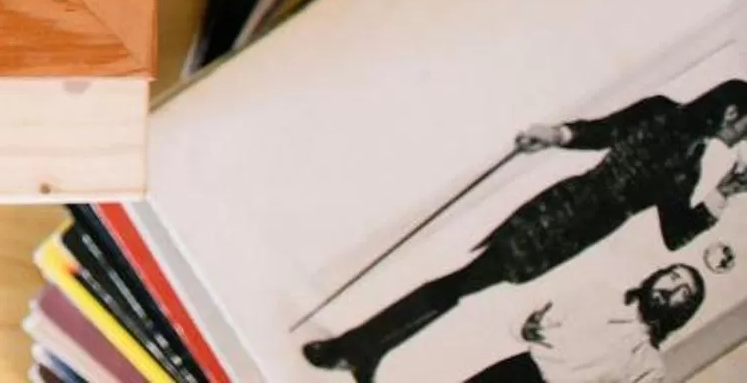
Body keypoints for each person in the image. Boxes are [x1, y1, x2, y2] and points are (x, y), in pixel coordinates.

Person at [306, 80, 747, 383]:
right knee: (460, 284)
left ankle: (366, 348)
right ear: (731, 112)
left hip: (565, 215)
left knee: (462, 285)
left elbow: (610, 141)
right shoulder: (682, 158)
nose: (744, 139)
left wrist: (560, 134)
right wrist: (557, 134)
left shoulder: (671, 131)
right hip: (564, 222)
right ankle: (357, 347)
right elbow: (672, 227)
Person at [459, 264, 706, 383]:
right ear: (658, 275)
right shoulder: (599, 294)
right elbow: (535, 318)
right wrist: (526, 325)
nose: (671, 289)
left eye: (683, 292)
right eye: (673, 276)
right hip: (519, 373)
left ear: (683, 310)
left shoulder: (651, 367)